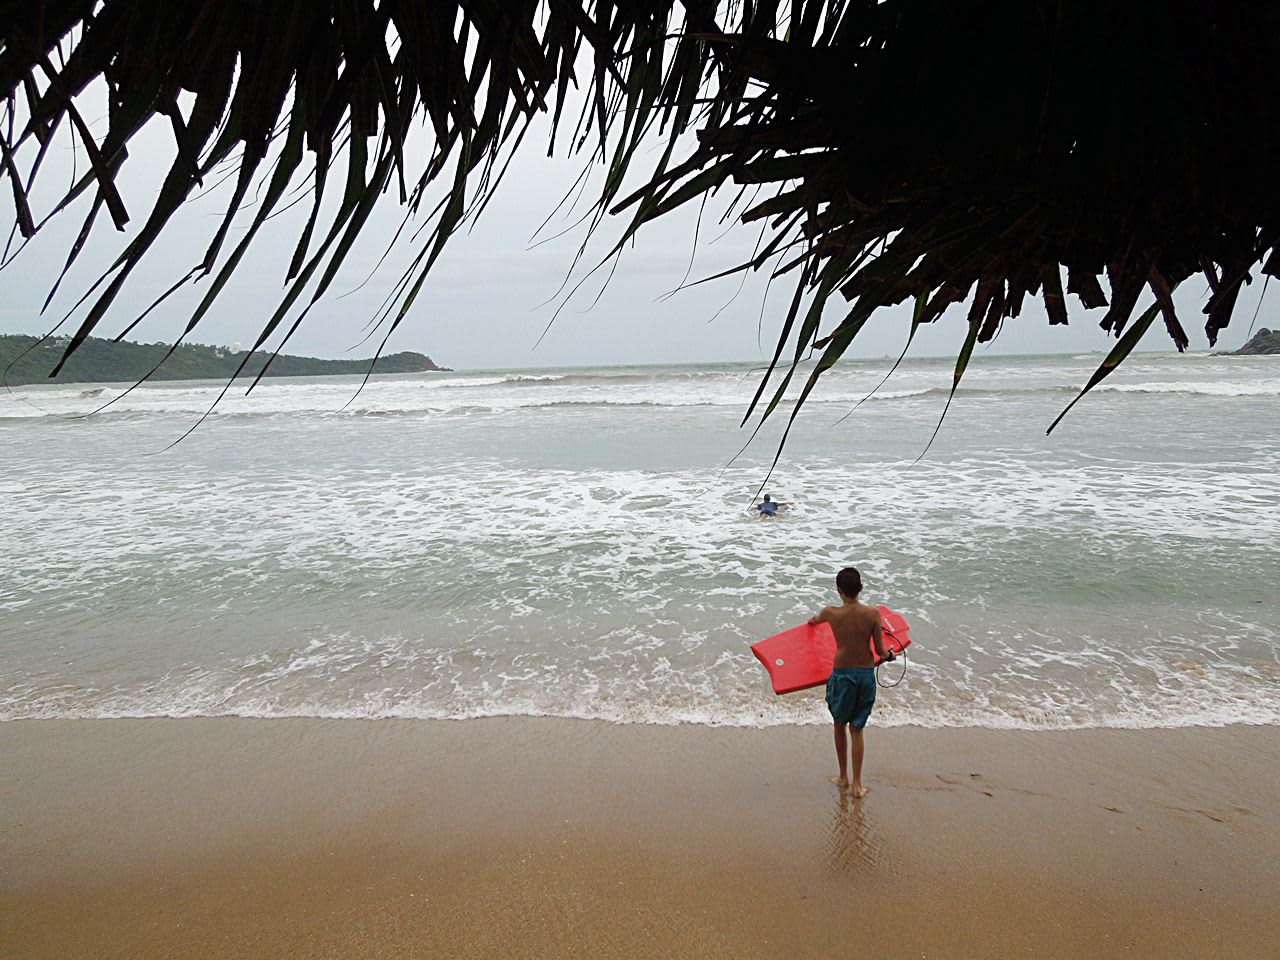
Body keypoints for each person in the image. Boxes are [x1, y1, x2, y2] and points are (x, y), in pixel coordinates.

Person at [807, 566, 892, 797]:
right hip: (864, 675)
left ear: (839, 591)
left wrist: (812, 623)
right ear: (861, 588)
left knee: (839, 724)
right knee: (857, 729)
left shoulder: (831, 613)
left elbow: (813, 621)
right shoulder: (874, 614)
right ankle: (857, 785)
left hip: (842, 674)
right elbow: (881, 652)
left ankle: (843, 777)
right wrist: (891, 656)